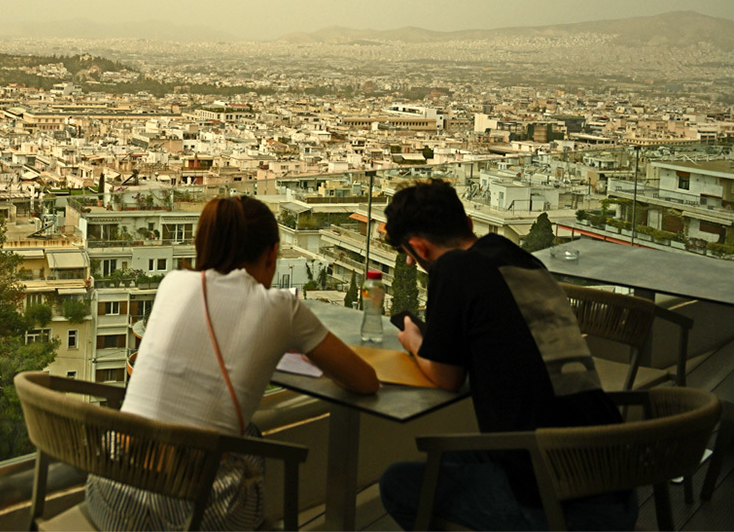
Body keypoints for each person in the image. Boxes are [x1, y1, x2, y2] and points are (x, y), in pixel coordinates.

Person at [85, 195, 379, 530]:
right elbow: (365, 381)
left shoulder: (172, 283)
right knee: (250, 440)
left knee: (245, 431)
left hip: (112, 501)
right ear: (271, 254)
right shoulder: (283, 309)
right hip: (199, 519)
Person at [378, 179, 637, 530]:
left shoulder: (452, 268)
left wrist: (413, 341)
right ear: (468, 223)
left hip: (555, 502)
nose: (410, 263)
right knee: (456, 458)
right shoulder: (515, 256)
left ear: (420, 248)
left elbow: (446, 378)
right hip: (613, 476)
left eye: (408, 254)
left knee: (398, 483)